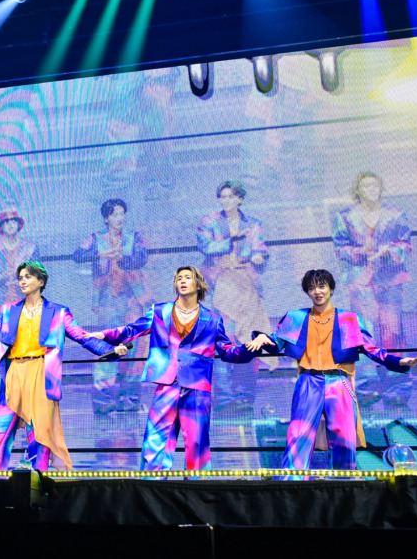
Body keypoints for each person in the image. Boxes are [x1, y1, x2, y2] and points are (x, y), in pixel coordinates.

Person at [247, 269, 417, 471]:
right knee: (299, 435)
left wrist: (399, 362)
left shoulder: (349, 319)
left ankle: (344, 481)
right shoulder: (296, 318)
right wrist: (263, 338)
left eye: (321, 286)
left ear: (331, 289)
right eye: (312, 288)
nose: (317, 292)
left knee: (345, 438)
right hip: (309, 382)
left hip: (338, 382)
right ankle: (292, 481)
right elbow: (276, 343)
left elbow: (371, 349)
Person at [0, 261, 113, 471]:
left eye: (28, 277)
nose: (22, 281)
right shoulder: (8, 311)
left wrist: (110, 350)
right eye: (20, 278)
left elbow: (82, 336)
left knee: (39, 432)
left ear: (41, 281)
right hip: (15, 373)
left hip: (42, 373)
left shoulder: (58, 312)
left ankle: (37, 478)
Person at [98, 266, 255, 472]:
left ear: (198, 284)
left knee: (197, 449)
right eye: (179, 278)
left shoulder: (212, 319)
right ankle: (152, 485)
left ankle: (197, 486)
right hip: (167, 386)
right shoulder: (160, 312)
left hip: (196, 390)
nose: (182, 281)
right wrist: (103, 336)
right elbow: (131, 330)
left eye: (187, 277)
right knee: (155, 445)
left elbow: (227, 351)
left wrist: (250, 348)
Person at [332, 171, 413, 406]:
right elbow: (340, 248)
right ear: (358, 190)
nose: (371, 189)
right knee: (363, 333)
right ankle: (366, 387)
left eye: (375, 185)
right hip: (361, 281)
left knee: (392, 331)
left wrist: (388, 252)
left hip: (390, 279)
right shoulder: (345, 217)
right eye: (366, 186)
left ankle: (397, 387)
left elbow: (405, 244)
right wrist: (360, 251)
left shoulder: (395, 214)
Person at [197, 181, 271, 415]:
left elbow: (260, 248)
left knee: (248, 339)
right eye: (223, 197)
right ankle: (224, 396)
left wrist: (258, 256)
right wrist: (232, 241)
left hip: (245, 286)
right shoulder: (209, 221)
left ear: (240, 199)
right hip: (219, 285)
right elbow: (205, 246)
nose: (226, 201)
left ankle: (244, 395)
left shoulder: (253, 223)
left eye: (231, 196)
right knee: (222, 339)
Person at [73, 198, 151, 414]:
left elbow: (142, 258)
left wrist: (123, 257)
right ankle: (104, 398)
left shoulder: (133, 237)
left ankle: (130, 397)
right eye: (115, 214)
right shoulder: (96, 238)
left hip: (132, 298)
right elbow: (77, 255)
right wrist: (101, 254)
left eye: (122, 214)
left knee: (134, 346)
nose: (120, 218)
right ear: (107, 218)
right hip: (108, 299)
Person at [0, 210, 40, 394]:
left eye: (14, 222)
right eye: (7, 222)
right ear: (1, 227)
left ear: (19, 225)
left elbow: (39, 273)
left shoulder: (29, 248)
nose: (11, 225)